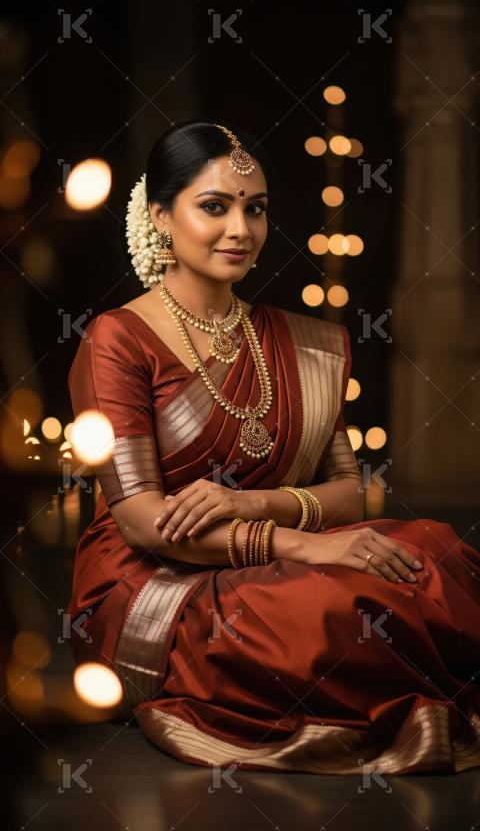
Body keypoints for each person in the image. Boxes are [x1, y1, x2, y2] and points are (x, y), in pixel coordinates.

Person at [67, 118, 480, 775]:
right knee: (331, 608)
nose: (241, 229)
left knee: (435, 554)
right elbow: (143, 521)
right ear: (161, 216)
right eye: (214, 207)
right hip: (157, 577)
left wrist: (252, 504)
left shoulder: (301, 341)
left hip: (267, 553)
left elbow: (347, 495)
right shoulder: (118, 339)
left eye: (254, 209)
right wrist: (304, 545)